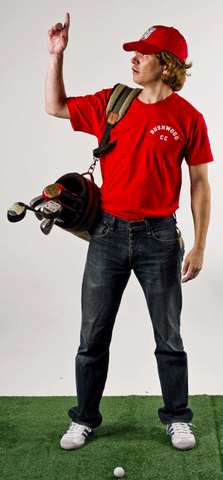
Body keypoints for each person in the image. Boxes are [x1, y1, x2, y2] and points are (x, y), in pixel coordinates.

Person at [46, 13, 213, 451]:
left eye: (144, 54)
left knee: (169, 337)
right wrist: (56, 57)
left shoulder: (188, 117)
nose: (134, 60)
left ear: (168, 63)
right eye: (134, 54)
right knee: (92, 336)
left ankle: (177, 418)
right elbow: (55, 106)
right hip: (106, 234)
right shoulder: (112, 102)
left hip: (160, 238)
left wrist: (198, 244)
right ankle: (83, 419)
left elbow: (199, 183)